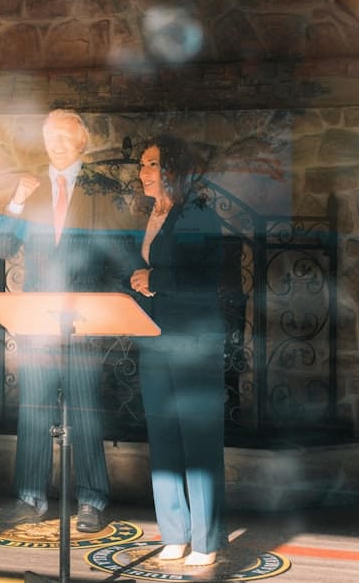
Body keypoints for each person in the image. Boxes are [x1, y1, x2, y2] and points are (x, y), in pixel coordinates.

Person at [0, 109, 132, 533]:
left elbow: (119, 252)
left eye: (65, 137)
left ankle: (92, 499)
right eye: (50, 136)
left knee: (85, 408)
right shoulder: (29, 190)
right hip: (37, 321)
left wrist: (110, 303)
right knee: (34, 408)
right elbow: (1, 247)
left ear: (81, 142)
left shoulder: (101, 189)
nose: (56, 143)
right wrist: (14, 200)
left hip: (84, 318)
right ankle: (29, 498)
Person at [129, 134, 227, 566]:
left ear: (173, 170)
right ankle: (174, 533)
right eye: (142, 165)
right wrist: (137, 285)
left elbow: (211, 282)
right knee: (163, 435)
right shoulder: (151, 214)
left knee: (199, 440)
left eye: (151, 164)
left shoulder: (198, 213)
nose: (142, 172)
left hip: (195, 341)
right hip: (155, 336)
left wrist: (156, 282)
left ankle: (205, 541)